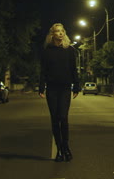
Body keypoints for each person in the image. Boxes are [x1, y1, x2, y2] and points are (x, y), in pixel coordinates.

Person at [39, 23, 80, 162]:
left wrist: (77, 86)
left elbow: (74, 69)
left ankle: (66, 147)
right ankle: (59, 150)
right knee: (55, 119)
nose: (60, 33)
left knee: (63, 117)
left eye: (62, 31)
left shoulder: (70, 50)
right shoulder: (46, 51)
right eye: (57, 31)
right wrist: (41, 87)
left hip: (65, 88)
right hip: (51, 89)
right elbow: (43, 71)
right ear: (52, 34)